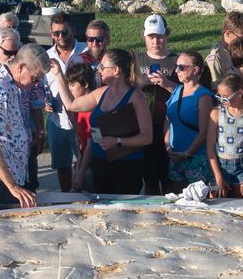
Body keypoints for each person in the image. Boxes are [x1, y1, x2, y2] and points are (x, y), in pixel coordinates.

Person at [63, 48, 152, 196]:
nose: (99, 70)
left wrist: (117, 141)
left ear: (116, 70)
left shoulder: (136, 98)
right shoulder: (102, 92)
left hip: (126, 166)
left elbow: (147, 137)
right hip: (100, 164)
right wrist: (59, 74)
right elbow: (71, 105)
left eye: (103, 67)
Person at [0, 45, 48, 208]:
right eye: (35, 78)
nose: (36, 84)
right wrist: (12, 186)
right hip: (2, 180)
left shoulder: (12, 85)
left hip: (15, 173)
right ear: (21, 67)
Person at [44, 18, 90, 191]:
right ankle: (65, 197)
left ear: (73, 30)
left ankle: (85, 196)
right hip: (57, 119)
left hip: (82, 117)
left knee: (84, 162)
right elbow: (42, 85)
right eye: (56, 33)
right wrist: (44, 102)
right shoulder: (46, 56)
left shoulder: (85, 51)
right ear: (51, 34)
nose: (61, 36)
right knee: (62, 165)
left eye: (65, 32)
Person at [134, 13, 174, 195]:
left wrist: (168, 84)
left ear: (166, 36)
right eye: (151, 37)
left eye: (160, 37)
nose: (156, 41)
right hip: (143, 125)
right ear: (144, 36)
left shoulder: (176, 61)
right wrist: (141, 84)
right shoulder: (137, 60)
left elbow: (189, 93)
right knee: (149, 179)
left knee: (169, 179)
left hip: (169, 125)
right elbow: (124, 90)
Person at [164, 51, 213, 189]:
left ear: (196, 70)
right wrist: (167, 146)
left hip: (195, 157)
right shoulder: (176, 91)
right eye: (176, 66)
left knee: (196, 203)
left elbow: (204, 132)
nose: (176, 70)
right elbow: (168, 121)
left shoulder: (203, 96)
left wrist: (186, 153)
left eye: (182, 67)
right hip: (175, 157)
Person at [206, 72, 243, 198]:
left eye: (225, 97)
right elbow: (210, 147)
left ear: (239, 93)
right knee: (217, 204)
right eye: (219, 97)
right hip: (221, 165)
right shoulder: (217, 112)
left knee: (241, 205)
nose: (222, 100)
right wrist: (218, 176)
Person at [205, 11, 243, 85]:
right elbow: (215, 90)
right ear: (227, 33)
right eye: (242, 38)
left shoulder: (240, 50)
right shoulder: (216, 58)